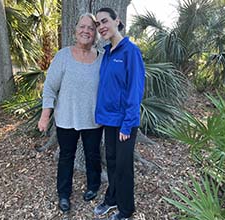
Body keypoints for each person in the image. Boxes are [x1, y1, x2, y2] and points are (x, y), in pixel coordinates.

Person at [38, 13, 103, 212]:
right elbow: (50, 88)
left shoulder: (102, 58)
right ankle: (64, 194)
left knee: (93, 155)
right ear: (75, 30)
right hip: (66, 119)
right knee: (66, 156)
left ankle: (93, 186)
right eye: (82, 27)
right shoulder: (63, 56)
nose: (86, 31)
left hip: (93, 120)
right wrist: (45, 115)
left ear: (95, 34)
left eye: (91, 28)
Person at [93, 7, 145, 220]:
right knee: (112, 161)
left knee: (123, 167)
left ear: (117, 21)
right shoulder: (106, 53)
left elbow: (135, 89)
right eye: (98, 24)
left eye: (104, 21)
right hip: (109, 120)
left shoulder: (130, 51)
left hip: (125, 122)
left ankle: (126, 209)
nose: (101, 27)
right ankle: (112, 198)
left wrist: (128, 123)